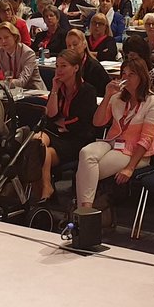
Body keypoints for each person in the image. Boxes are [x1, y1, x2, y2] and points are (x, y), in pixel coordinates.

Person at [75, 56, 154, 210]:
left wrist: (130, 167)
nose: (126, 78)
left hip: (135, 152)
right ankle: (87, 210)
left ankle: (84, 210)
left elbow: (146, 139)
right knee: (85, 153)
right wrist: (107, 96)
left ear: (141, 77)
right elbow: (98, 122)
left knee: (87, 170)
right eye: (124, 74)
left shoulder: (152, 102)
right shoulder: (117, 98)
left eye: (131, 75)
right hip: (112, 142)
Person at [29, 48, 98, 205]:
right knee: (35, 141)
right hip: (57, 133)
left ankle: (40, 189)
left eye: (64, 66)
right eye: (58, 66)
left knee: (42, 152)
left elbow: (82, 121)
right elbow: (51, 115)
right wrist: (54, 89)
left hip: (76, 139)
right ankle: (46, 188)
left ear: (75, 68)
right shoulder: (59, 88)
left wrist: (63, 123)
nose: (59, 70)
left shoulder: (88, 91)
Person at [0, 21, 45, 91]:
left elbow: (22, 82)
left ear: (15, 37)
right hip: (10, 91)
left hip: (33, 92)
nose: (3, 41)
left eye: (6, 37)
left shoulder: (28, 53)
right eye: (0, 38)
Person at [65, 28, 109, 96]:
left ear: (84, 44)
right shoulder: (66, 65)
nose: (72, 48)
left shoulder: (95, 67)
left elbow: (101, 92)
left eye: (75, 44)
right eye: (69, 46)